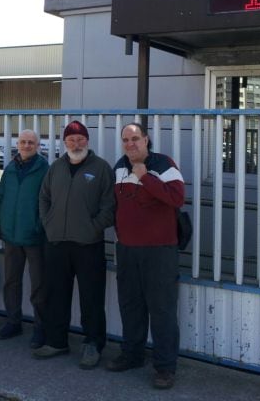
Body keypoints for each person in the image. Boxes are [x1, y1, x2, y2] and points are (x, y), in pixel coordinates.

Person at [108, 122, 185, 390]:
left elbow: (176, 198)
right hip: (127, 249)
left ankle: (165, 368)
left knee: (162, 310)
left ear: (146, 139)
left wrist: (144, 176)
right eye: (126, 140)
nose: (130, 144)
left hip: (159, 250)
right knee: (131, 306)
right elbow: (116, 204)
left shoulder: (163, 165)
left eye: (135, 138)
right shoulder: (118, 166)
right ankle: (132, 355)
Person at [34, 120, 115, 370]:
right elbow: (44, 198)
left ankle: (93, 344)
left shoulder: (101, 168)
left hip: (88, 243)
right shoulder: (55, 167)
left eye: (80, 139)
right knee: (56, 294)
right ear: (65, 142)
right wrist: (49, 224)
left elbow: (109, 206)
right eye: (71, 139)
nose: (76, 143)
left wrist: (92, 228)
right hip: (57, 241)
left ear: (87, 141)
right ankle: (57, 341)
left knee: (91, 297)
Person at [0, 129, 49, 348]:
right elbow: (2, 197)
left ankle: (41, 328)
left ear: (38, 146)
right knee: (11, 282)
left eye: (31, 142)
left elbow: (48, 202)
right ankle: (13, 321)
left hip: (34, 237)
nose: (26, 146)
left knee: (39, 285)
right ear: (17, 144)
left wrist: (39, 226)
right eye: (23, 142)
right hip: (11, 236)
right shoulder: (9, 169)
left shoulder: (44, 169)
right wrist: (1, 225)